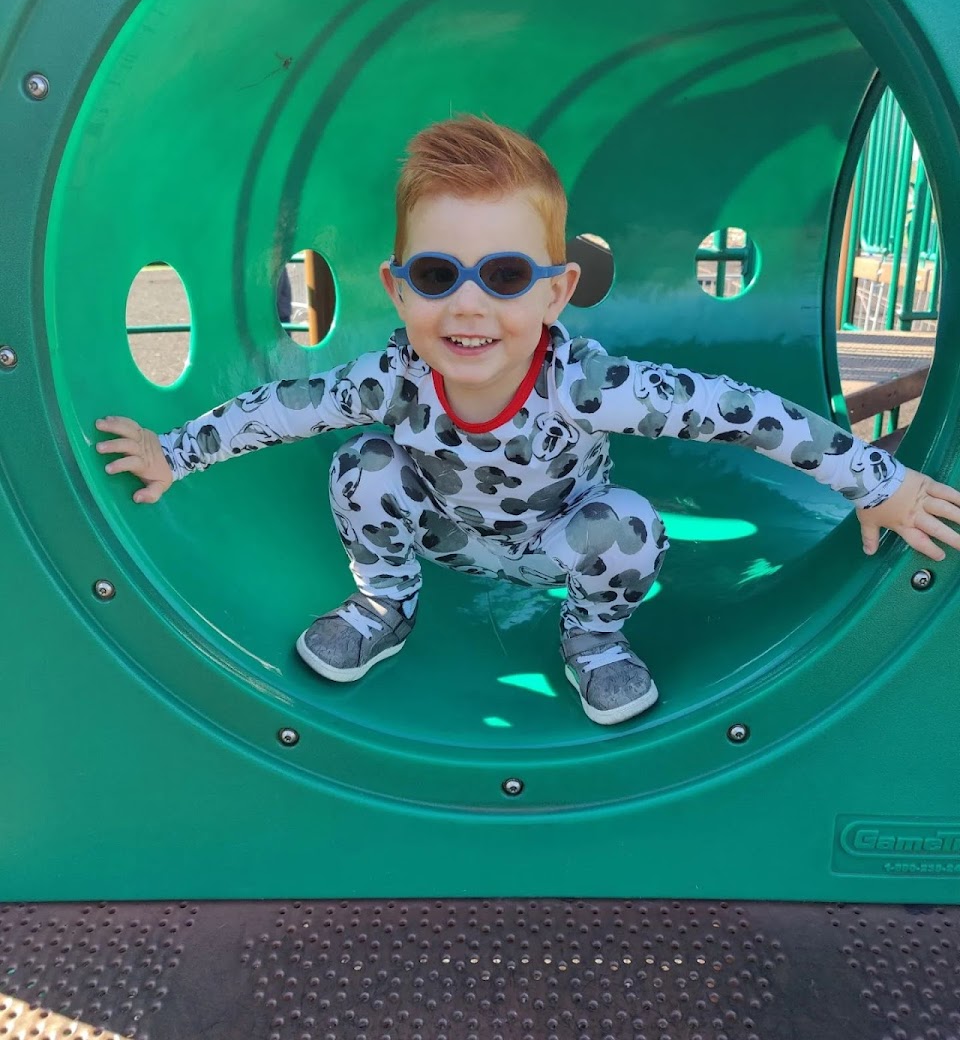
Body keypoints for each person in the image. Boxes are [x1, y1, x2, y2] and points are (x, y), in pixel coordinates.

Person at [96, 116, 960, 726]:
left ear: (555, 292)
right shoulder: (395, 377)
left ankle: (593, 638)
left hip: (556, 543)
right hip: (444, 535)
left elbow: (738, 413)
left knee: (628, 522)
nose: (469, 305)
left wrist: (877, 483)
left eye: (506, 276)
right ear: (398, 289)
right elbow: (284, 408)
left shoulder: (585, 386)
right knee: (363, 462)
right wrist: (174, 453)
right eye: (437, 275)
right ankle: (384, 604)